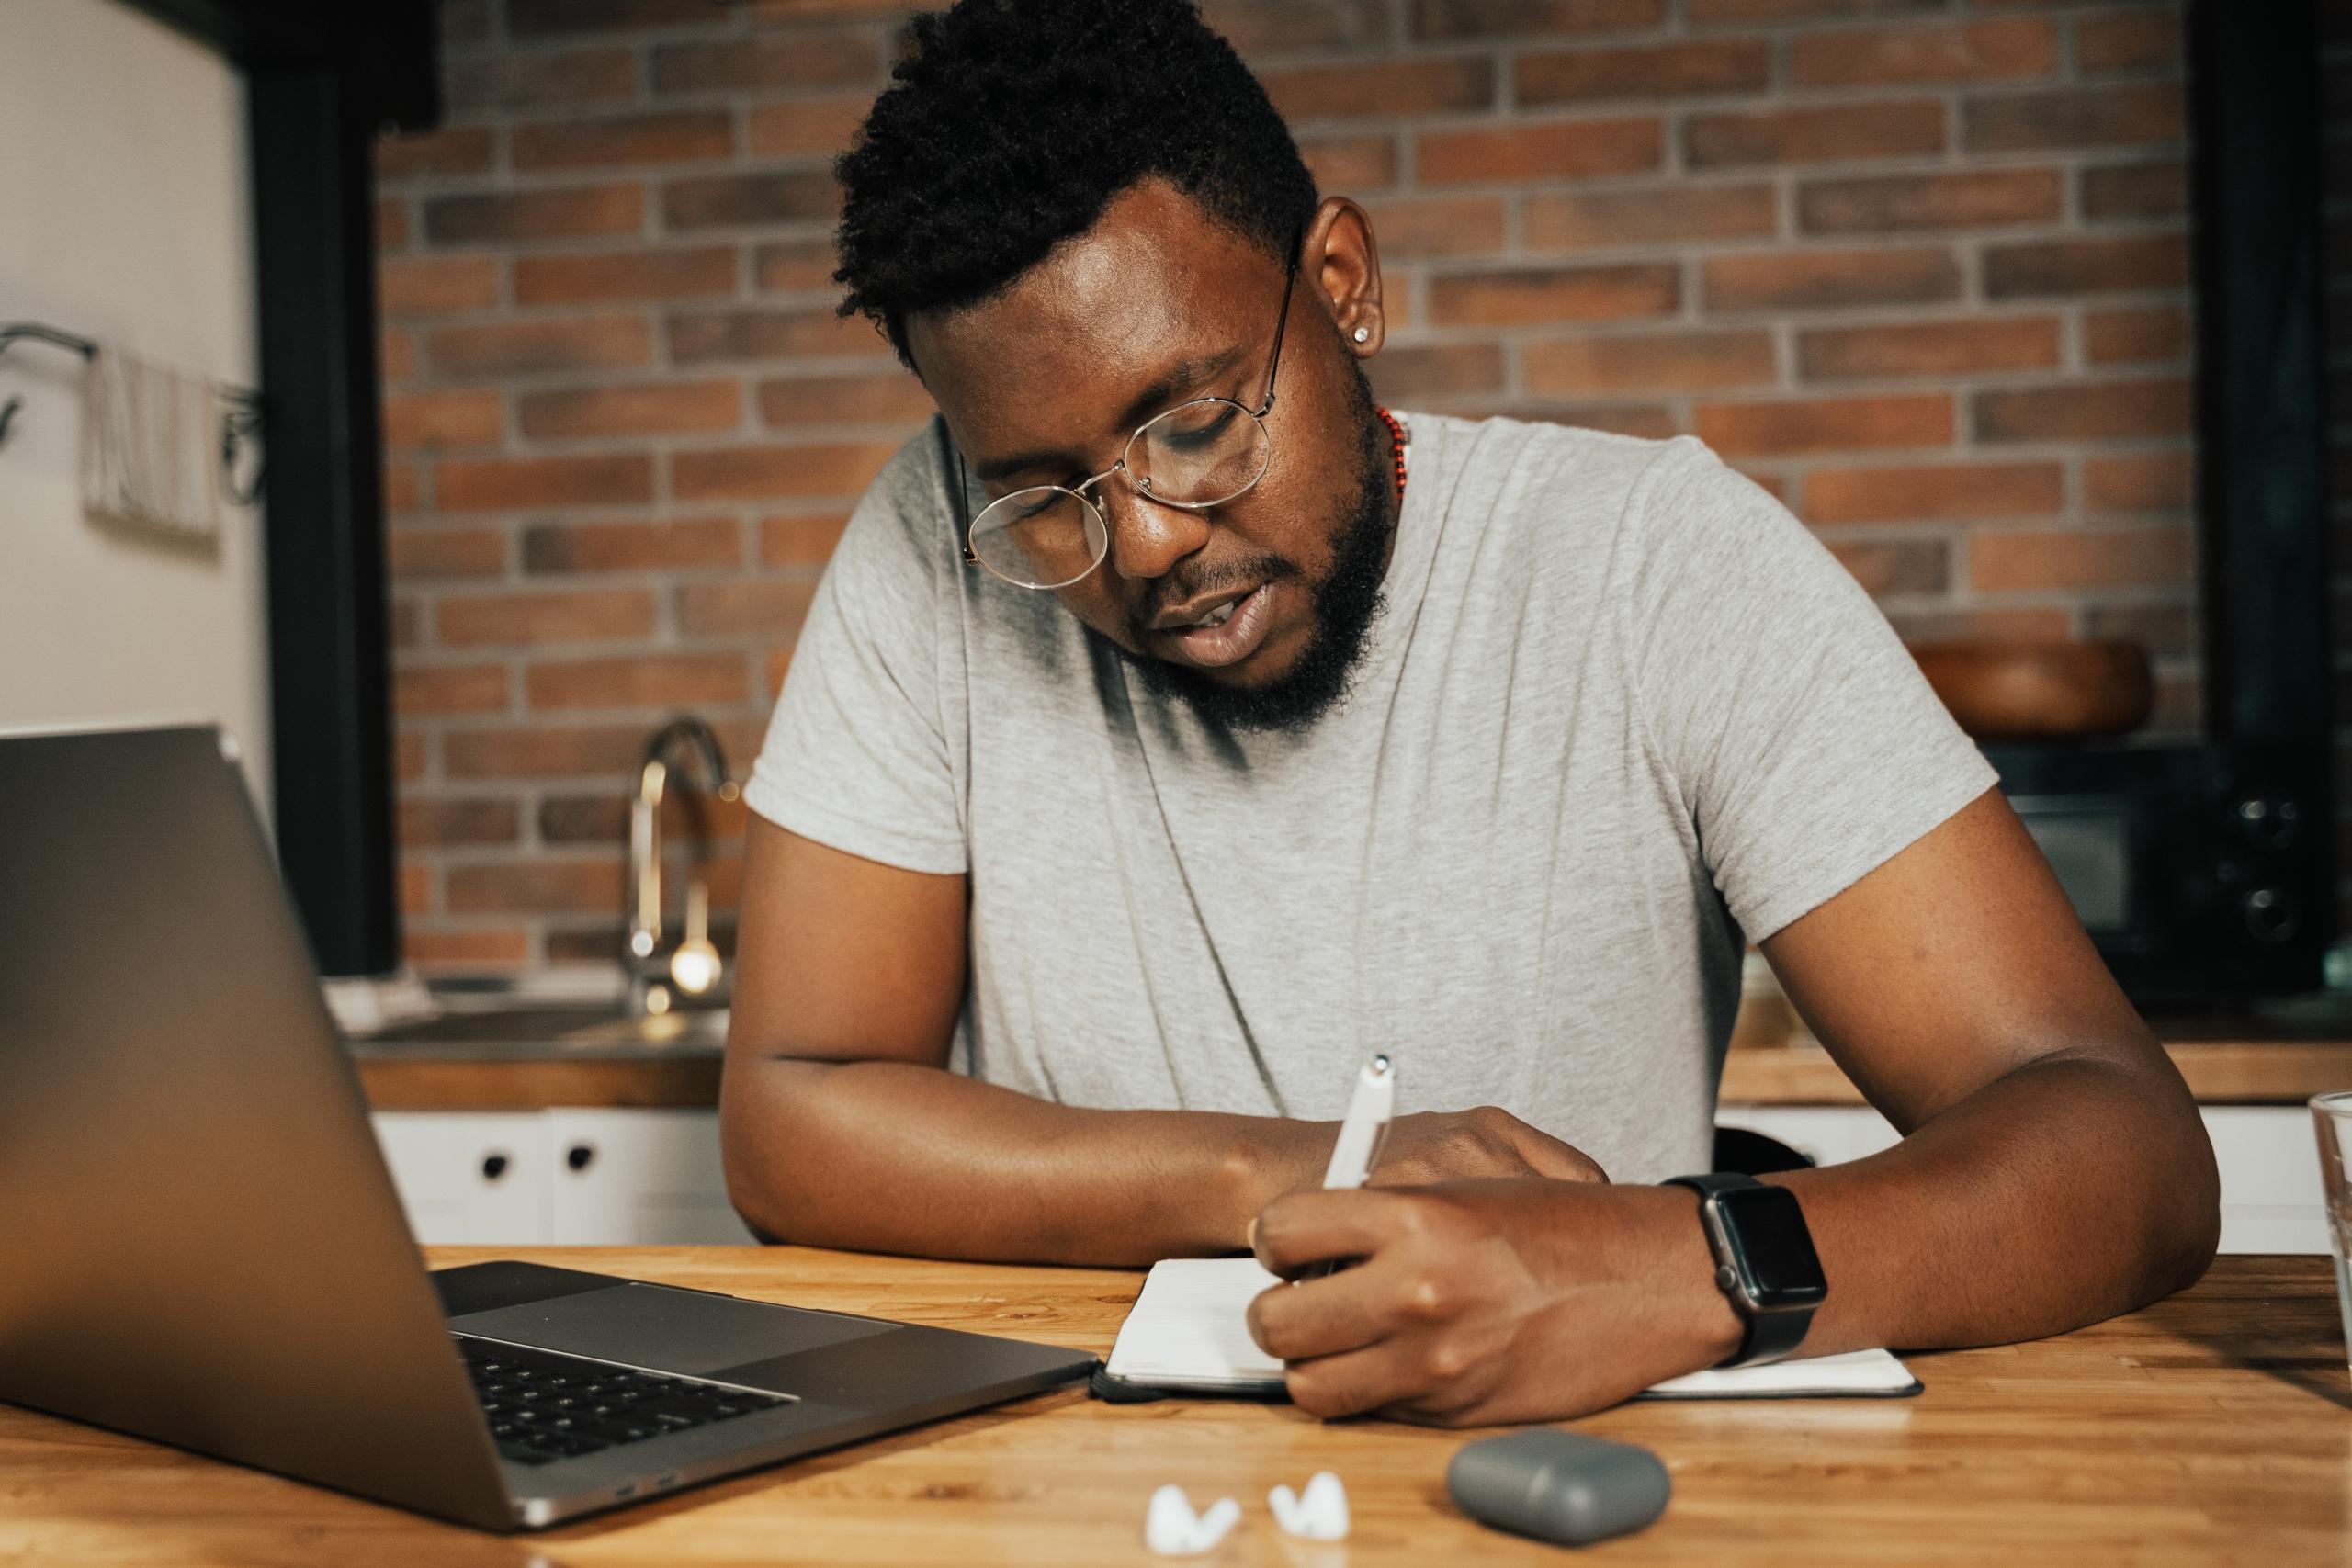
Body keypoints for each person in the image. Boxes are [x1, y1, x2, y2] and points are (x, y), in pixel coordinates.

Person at [719, 0, 2218, 1426]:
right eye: (1045, 498)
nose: (1153, 541)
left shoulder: (1657, 562)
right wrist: (1296, 1175)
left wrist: (1663, 1268)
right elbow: (793, 1116)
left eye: (1192, 422)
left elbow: (2122, 1147)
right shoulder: (933, 542)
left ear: (1345, 282)